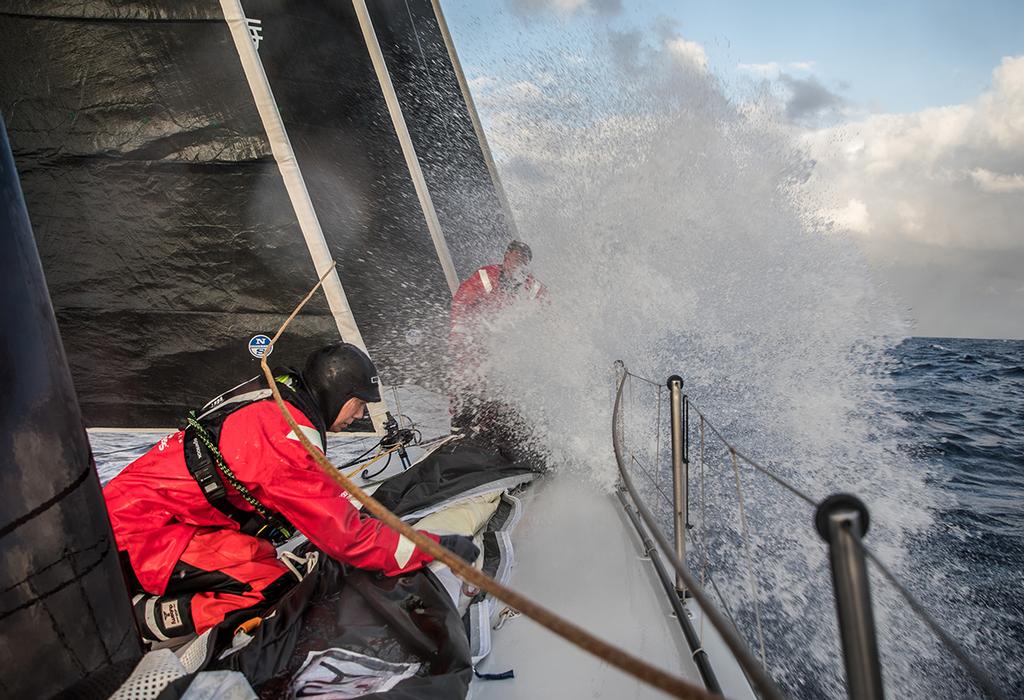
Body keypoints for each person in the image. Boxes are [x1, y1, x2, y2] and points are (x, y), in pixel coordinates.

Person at [103, 342, 479, 642]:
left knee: (265, 562)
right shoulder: (285, 439)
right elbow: (348, 539)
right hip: (143, 532)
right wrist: (434, 548)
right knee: (273, 589)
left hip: (153, 514)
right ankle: (144, 620)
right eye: (359, 403)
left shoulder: (275, 401)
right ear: (335, 392)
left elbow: (317, 498)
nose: (360, 415)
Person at [448, 241, 546, 458]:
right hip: (477, 349)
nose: (517, 263)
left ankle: (500, 442)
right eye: (515, 257)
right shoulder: (486, 277)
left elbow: (546, 310)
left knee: (506, 396)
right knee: (467, 386)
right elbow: (461, 303)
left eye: (523, 260)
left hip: (508, 356)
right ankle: (459, 438)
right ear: (506, 257)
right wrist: (459, 334)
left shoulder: (531, 288)